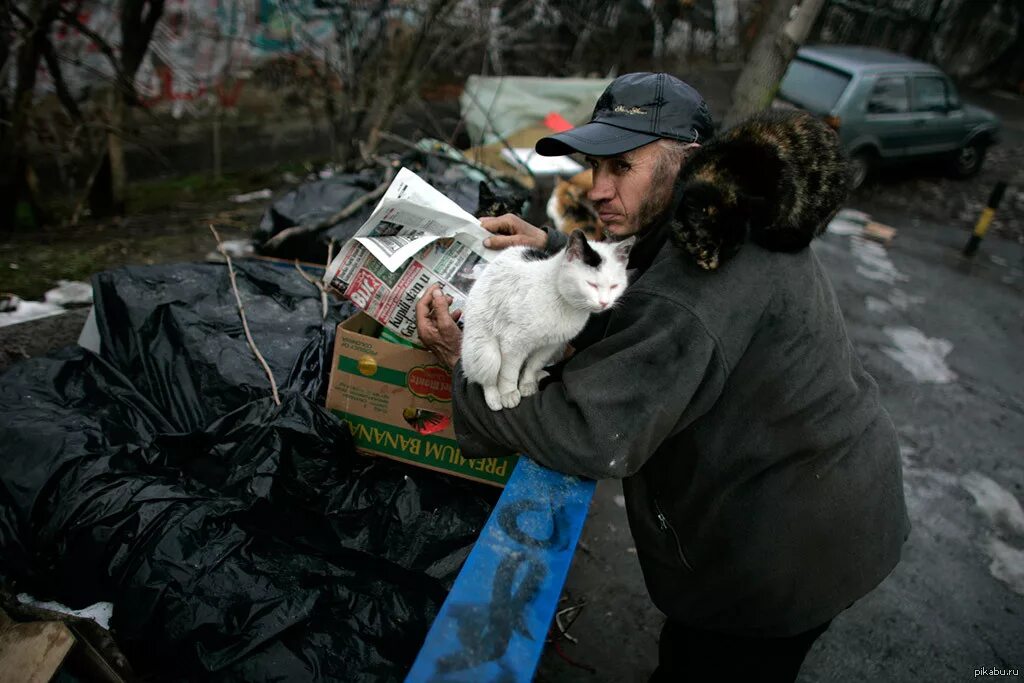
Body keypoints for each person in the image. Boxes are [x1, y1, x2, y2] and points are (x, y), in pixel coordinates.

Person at [415, 72, 909, 681]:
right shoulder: (720, 216)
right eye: (594, 167)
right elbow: (640, 294)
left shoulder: (699, 285)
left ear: (688, 162)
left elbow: (590, 433)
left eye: (621, 168)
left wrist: (463, 363)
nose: (597, 190)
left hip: (785, 542)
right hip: (826, 492)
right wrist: (554, 264)